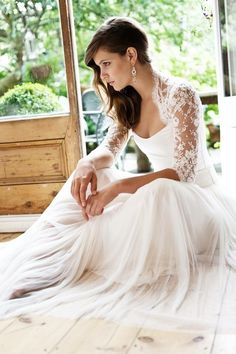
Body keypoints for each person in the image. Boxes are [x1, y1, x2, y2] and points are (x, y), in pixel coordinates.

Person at [0, 16, 236, 331]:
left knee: (154, 191)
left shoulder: (181, 94)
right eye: (99, 68)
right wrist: (87, 163)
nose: (103, 75)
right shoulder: (129, 99)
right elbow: (110, 148)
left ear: (131, 55)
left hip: (196, 203)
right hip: (161, 194)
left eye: (106, 64)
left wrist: (120, 188)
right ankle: (44, 262)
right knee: (97, 175)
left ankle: (59, 266)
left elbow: (184, 171)